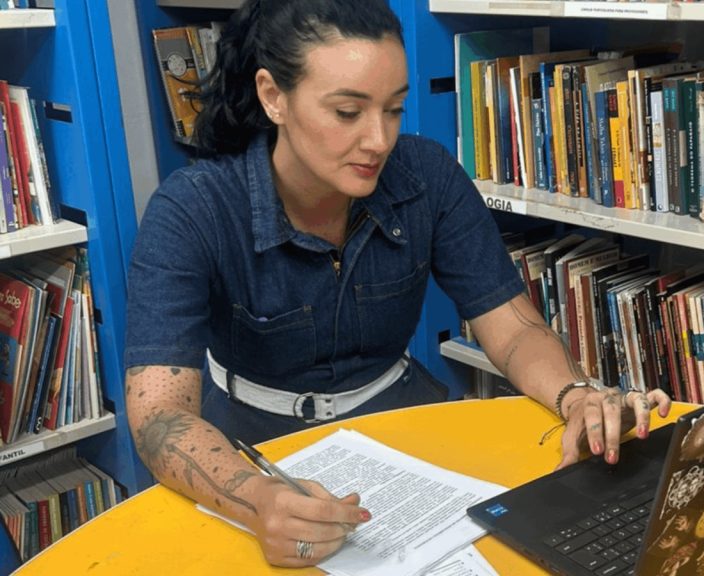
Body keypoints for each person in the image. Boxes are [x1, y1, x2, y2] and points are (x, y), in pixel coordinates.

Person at [124, 0, 671, 568]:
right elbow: (161, 416)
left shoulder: (426, 175)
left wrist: (575, 394)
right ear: (273, 97)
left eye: (394, 109)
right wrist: (259, 499)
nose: (379, 140)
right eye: (347, 112)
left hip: (405, 426)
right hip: (254, 448)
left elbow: (511, 327)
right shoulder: (191, 210)